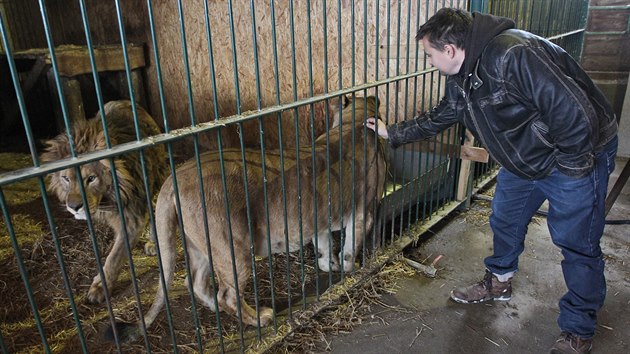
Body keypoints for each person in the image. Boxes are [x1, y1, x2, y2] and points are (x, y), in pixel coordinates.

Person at [366, 8, 618, 354]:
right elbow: (444, 115)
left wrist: (572, 177)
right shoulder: (463, 75)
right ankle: (499, 282)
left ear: (450, 50)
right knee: (504, 219)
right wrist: (392, 133)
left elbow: (575, 117)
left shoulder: (513, 55)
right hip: (525, 155)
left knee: (576, 241)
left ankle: (578, 328)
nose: (429, 62)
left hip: (575, 154)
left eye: (429, 54)